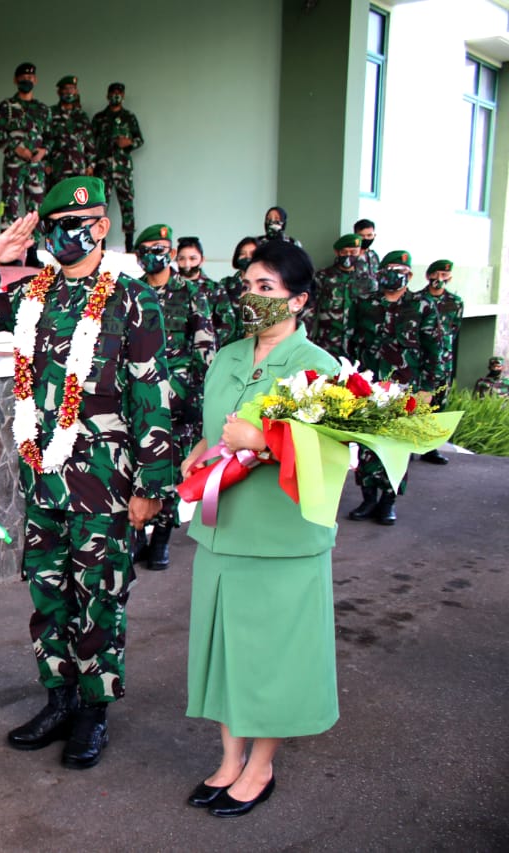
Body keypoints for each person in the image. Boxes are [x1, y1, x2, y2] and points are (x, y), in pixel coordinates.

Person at [0, 176, 175, 770]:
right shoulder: (29, 296)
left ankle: (94, 713)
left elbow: (152, 396)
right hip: (43, 474)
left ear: (100, 228)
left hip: (106, 479)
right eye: (52, 227)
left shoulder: (131, 299)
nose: (62, 235)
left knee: (99, 596)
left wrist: (152, 486)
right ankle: (59, 698)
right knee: (47, 592)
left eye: (75, 224)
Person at [180, 239, 340, 819]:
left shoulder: (316, 367)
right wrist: (199, 451)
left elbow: (329, 447)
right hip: (223, 529)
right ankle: (228, 759)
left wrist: (265, 441)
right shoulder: (225, 356)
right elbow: (217, 427)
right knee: (224, 649)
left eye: (267, 288)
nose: (252, 296)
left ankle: (260, 764)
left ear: (298, 300)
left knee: (271, 655)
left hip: (280, 537)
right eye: (248, 285)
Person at [133, 224, 215, 571]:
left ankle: (162, 538)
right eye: (147, 248)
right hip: (138, 395)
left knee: (169, 467)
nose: (155, 254)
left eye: (161, 247)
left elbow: (206, 346)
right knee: (136, 462)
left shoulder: (191, 291)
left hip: (178, 399)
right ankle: (136, 534)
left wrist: (200, 397)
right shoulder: (131, 290)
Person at [345, 250, 439, 526]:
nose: (393, 274)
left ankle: (389, 501)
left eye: (400, 269)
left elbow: (434, 349)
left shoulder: (421, 306)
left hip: (404, 385)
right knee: (366, 442)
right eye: (389, 268)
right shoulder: (364, 304)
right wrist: (349, 377)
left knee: (396, 443)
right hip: (368, 383)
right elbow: (350, 342)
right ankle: (368, 498)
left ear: (409, 275)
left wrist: (428, 386)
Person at [0, 62, 50, 229]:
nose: (27, 80)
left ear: (36, 80)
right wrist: (17, 149)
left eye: (30, 78)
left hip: (36, 167)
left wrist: (43, 151)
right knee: (10, 208)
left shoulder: (43, 109)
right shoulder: (7, 106)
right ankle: (8, 254)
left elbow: (51, 137)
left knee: (37, 210)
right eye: (23, 78)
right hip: (14, 167)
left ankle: (32, 252)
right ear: (15, 80)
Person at [415, 259, 463, 464]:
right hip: (419, 361)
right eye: (436, 275)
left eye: (445, 276)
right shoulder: (417, 299)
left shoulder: (455, 302)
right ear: (428, 276)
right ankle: (408, 446)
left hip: (443, 363)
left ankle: (430, 448)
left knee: (437, 406)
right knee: (414, 404)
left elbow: (455, 331)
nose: (440, 279)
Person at [91, 83, 143, 251]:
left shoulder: (129, 117)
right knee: (100, 206)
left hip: (122, 169)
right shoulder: (99, 118)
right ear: (107, 96)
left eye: (119, 93)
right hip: (103, 168)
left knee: (127, 205)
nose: (116, 95)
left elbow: (139, 140)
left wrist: (129, 142)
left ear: (123, 96)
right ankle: (100, 244)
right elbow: (90, 143)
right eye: (113, 93)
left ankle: (129, 244)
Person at [308, 233, 375, 361]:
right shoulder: (323, 277)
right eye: (344, 252)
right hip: (327, 343)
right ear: (337, 252)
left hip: (356, 346)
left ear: (360, 252)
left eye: (353, 252)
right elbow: (310, 310)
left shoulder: (369, 281)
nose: (349, 256)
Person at [45, 75, 94, 182]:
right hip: (57, 169)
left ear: (76, 91)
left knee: (78, 198)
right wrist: (45, 162)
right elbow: (44, 139)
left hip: (79, 169)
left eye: (71, 88)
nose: (69, 92)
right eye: (65, 89)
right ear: (59, 92)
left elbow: (89, 142)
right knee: (59, 198)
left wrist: (91, 165)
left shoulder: (82, 116)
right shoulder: (51, 113)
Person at [213, 237, 258, 348]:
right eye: (242, 254)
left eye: (252, 253)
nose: (247, 257)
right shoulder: (225, 284)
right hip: (227, 347)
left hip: (256, 347)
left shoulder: (266, 288)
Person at [354, 218, 380, 283]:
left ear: (374, 235)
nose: (365, 238)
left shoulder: (374, 255)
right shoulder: (348, 255)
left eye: (369, 235)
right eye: (361, 235)